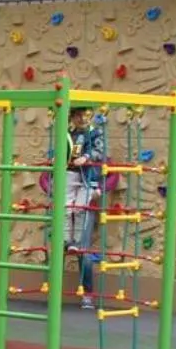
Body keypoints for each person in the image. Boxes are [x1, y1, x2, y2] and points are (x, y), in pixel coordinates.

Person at [66, 107, 109, 309]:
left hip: (87, 183)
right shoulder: (69, 135)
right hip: (70, 186)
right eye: (77, 115)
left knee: (83, 247)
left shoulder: (95, 132)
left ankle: (88, 294)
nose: (81, 118)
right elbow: (59, 155)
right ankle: (68, 240)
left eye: (85, 115)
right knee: (63, 236)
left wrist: (88, 156)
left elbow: (101, 153)